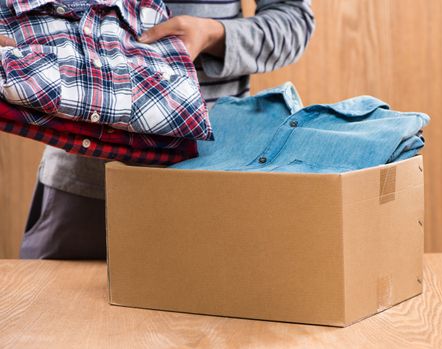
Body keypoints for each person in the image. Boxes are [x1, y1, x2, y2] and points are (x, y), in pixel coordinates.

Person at [0, 0, 315, 259]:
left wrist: (214, 35)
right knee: (58, 317)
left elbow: (294, 19)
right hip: (86, 171)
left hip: (212, 171)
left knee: (206, 321)